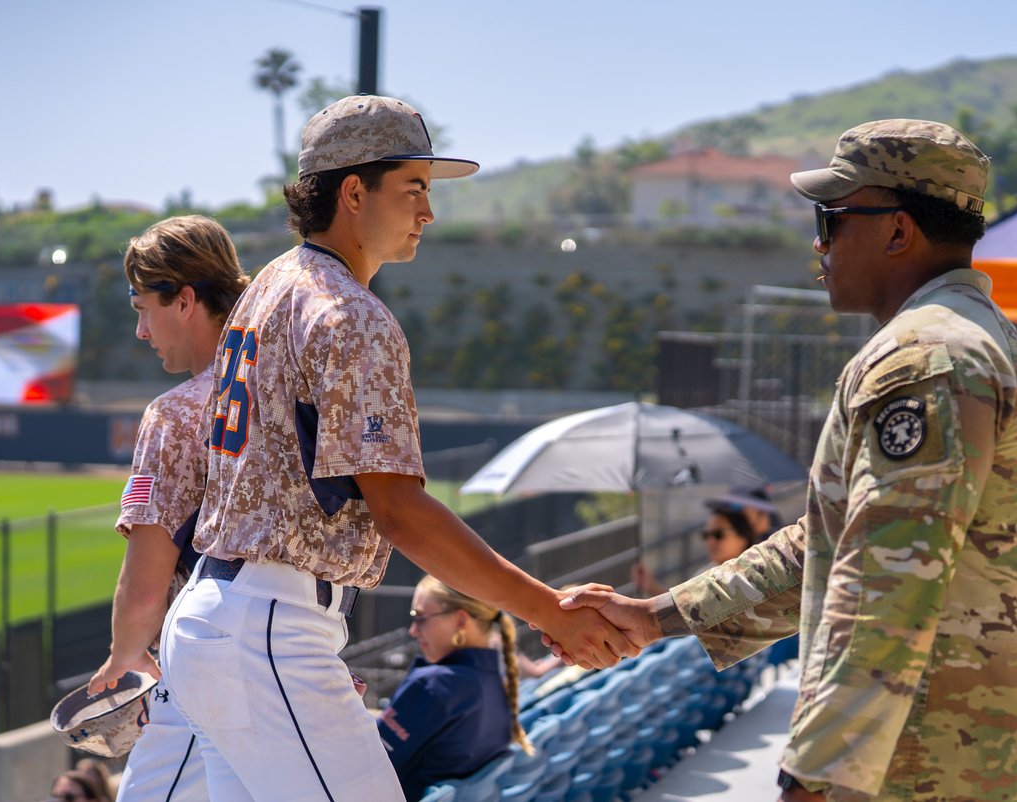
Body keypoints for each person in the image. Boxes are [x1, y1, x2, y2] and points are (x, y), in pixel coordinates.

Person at [558, 120, 1017, 801]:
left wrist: (817, 774)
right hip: (987, 753)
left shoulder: (924, 357)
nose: (819, 244)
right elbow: (838, 544)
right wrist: (661, 615)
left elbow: (887, 581)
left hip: (942, 765)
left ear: (898, 231)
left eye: (832, 218)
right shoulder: (965, 338)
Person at [159, 95, 635, 801]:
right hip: (267, 623)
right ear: (354, 191)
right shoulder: (350, 313)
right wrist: (544, 609)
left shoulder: (268, 288)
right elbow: (401, 513)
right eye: (414, 187)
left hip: (217, 617)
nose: (428, 212)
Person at [85, 215, 250, 801]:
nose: (139, 329)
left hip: (207, 659)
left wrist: (124, 656)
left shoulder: (176, 412)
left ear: (184, 299)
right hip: (299, 643)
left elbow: (148, 571)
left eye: (141, 307)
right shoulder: (290, 388)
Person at [378, 576, 532, 800]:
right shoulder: (499, 682)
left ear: (460, 621)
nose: (413, 630)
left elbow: (365, 766)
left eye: (420, 618)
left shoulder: (432, 687)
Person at [631, 494, 761, 596]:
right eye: (706, 535)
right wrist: (651, 587)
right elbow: (683, 606)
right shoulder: (708, 572)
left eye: (718, 534)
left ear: (742, 537)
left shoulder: (756, 575)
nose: (710, 541)